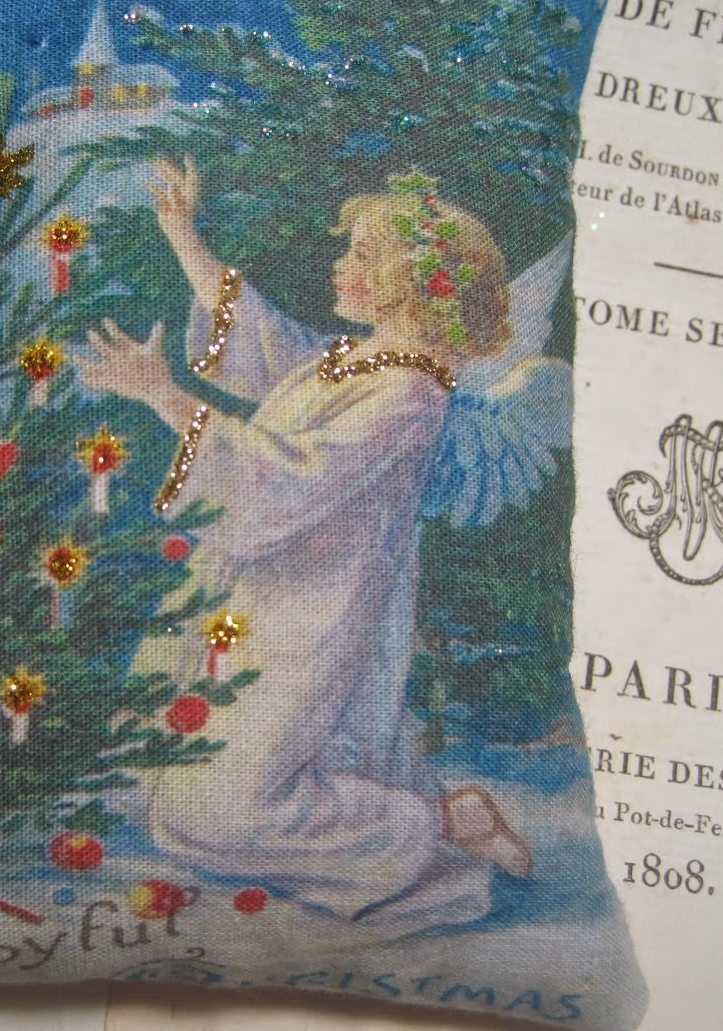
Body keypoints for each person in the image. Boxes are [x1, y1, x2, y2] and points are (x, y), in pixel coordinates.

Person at [75, 159, 531, 927]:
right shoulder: (352, 358)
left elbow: (289, 475)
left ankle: (442, 818)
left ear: (405, 282)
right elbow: (262, 340)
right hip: (255, 590)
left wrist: (163, 393)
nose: (340, 263)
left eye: (360, 253)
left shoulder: (410, 393)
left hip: (315, 612)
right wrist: (182, 234)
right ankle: (420, 811)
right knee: (167, 783)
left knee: (225, 810)